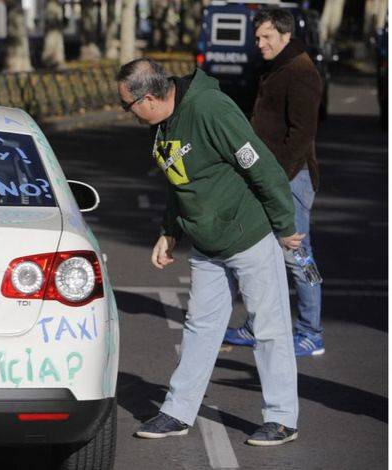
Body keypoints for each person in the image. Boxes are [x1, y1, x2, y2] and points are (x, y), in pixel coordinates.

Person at [116, 58, 303, 446]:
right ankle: (178, 411)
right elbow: (178, 182)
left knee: (268, 327)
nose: (127, 114)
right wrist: (169, 232)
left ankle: (282, 418)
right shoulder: (163, 123)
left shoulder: (210, 110)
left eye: (127, 106)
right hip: (206, 242)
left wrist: (285, 225)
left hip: (247, 234)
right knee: (200, 327)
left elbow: (261, 165)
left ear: (148, 98)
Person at [224, 8, 325, 357]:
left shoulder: (301, 72)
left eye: (266, 36)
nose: (259, 43)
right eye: (256, 37)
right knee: (264, 254)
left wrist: (275, 179)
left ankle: (312, 332)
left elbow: (302, 136)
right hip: (271, 176)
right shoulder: (279, 65)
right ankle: (258, 325)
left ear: (285, 35)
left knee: (300, 256)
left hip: (290, 179)